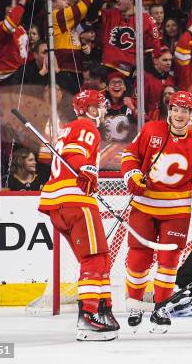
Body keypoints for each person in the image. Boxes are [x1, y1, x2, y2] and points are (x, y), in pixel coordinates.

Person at [121, 90, 192, 334]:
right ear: (170, 111)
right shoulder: (151, 131)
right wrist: (132, 175)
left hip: (176, 210)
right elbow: (130, 155)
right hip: (144, 206)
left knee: (169, 262)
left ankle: (161, 307)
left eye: (185, 111)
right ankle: (135, 304)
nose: (179, 115)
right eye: (176, 109)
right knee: (139, 257)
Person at [37, 89, 120, 341]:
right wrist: (85, 171)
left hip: (58, 203)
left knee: (101, 257)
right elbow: (75, 152)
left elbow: (54, 156)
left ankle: (104, 308)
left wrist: (84, 172)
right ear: (90, 109)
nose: (103, 109)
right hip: (75, 200)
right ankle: (88, 316)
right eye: (100, 105)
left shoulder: (66, 129)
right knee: (94, 259)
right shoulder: (86, 126)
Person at [100, 0, 161, 77]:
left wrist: (143, 67)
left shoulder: (146, 19)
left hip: (127, 71)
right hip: (107, 67)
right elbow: (92, 16)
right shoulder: (111, 14)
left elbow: (155, 46)